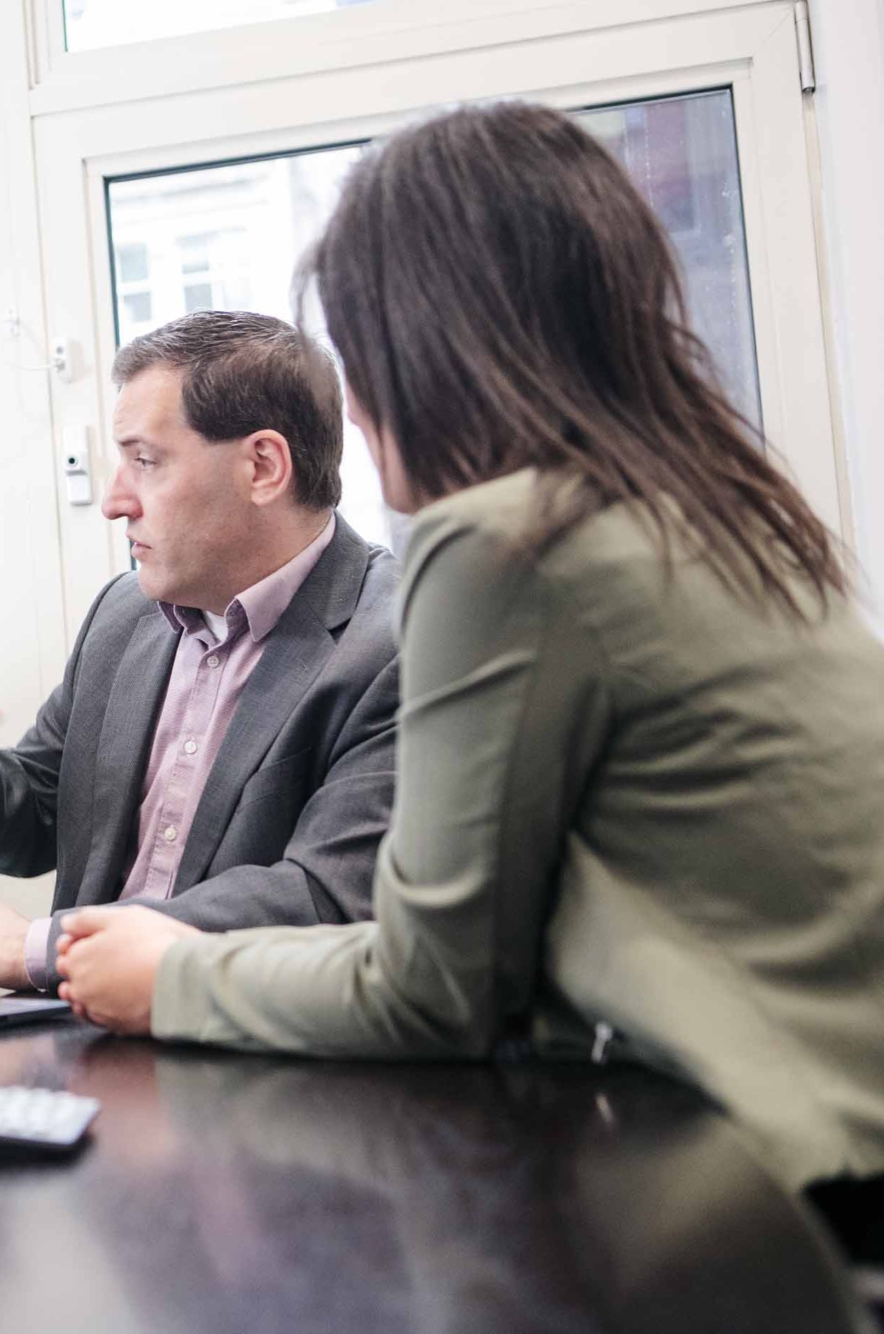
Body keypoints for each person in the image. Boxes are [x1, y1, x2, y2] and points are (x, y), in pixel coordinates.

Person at [57, 103, 884, 1239]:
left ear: (423, 348)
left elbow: (431, 986)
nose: (351, 402)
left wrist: (176, 972)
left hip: (791, 1196)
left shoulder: (498, 545)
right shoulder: (717, 510)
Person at [0, 311, 400, 993]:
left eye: (145, 461)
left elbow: (324, 899)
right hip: (85, 1036)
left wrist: (46, 948)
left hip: (244, 1055)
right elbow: (40, 816)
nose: (115, 501)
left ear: (262, 466)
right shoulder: (125, 614)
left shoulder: (393, 641)